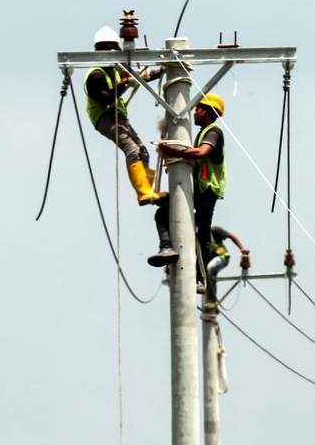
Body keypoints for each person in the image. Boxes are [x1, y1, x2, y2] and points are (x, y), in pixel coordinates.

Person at [84, 26, 166, 206]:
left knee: (142, 150)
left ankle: (149, 190)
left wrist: (159, 72)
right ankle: (143, 192)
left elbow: (136, 79)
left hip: (119, 117)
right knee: (132, 149)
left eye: (115, 49)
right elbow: (106, 97)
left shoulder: (113, 70)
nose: (113, 53)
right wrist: (124, 81)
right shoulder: (96, 75)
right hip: (105, 118)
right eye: (109, 49)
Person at [157, 94, 227, 283]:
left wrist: (175, 152)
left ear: (208, 111)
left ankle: (200, 277)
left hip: (207, 189)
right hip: (198, 188)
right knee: (163, 213)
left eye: (199, 109)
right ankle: (165, 248)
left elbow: (202, 152)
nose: (195, 112)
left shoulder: (214, 132)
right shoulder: (204, 132)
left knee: (203, 233)